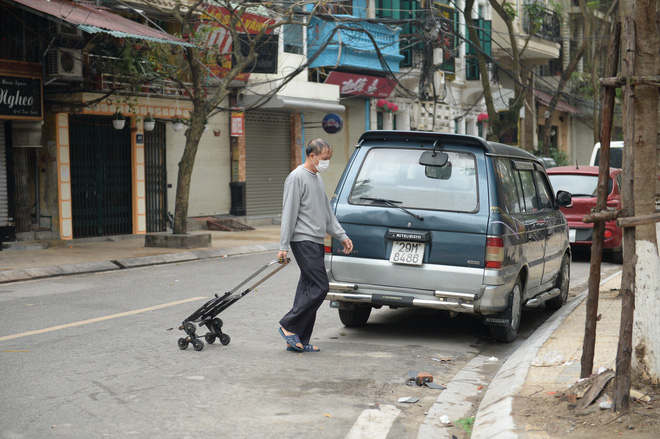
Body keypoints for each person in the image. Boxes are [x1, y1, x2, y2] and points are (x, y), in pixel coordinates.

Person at [277, 138, 353, 353]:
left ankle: (299, 339)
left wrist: (341, 235)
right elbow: (289, 212)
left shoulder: (316, 178)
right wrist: (283, 245)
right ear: (312, 155)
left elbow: (326, 212)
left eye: (329, 158)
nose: (326, 162)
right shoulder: (296, 178)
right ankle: (288, 325)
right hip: (303, 240)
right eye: (324, 158)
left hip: (316, 240)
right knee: (321, 286)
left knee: (308, 288)